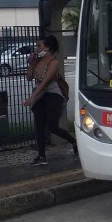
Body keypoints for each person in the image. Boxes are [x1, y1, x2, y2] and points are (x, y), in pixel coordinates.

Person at [23, 35, 77, 166]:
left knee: (52, 126)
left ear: (47, 48)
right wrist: (31, 63)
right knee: (39, 124)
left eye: (39, 46)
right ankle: (41, 156)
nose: (36, 48)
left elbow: (45, 82)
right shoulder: (37, 60)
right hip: (40, 94)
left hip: (53, 92)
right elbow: (29, 78)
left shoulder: (54, 62)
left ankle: (73, 141)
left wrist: (32, 97)